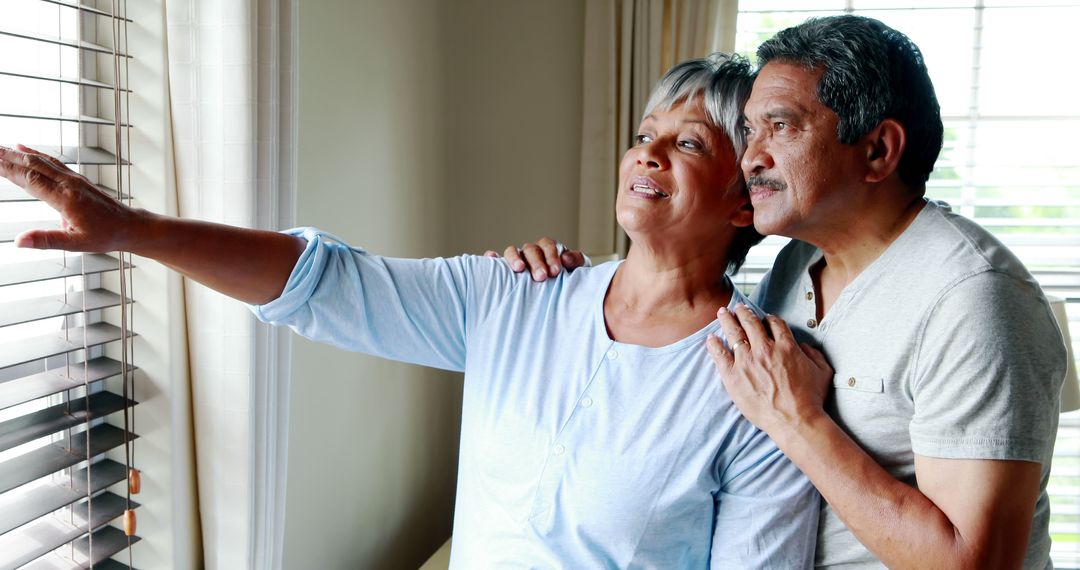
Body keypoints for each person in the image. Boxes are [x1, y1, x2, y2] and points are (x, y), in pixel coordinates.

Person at [0, 54, 820, 568]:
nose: (647, 152)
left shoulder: (757, 384)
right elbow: (322, 282)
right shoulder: (518, 295)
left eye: (689, 143)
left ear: (743, 203)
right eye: (645, 132)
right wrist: (132, 231)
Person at [504, 15, 1067, 569]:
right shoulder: (796, 263)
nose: (751, 156)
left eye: (782, 126)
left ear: (877, 150)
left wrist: (797, 419)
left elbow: (974, 561)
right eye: (750, 130)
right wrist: (550, 279)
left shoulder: (975, 300)